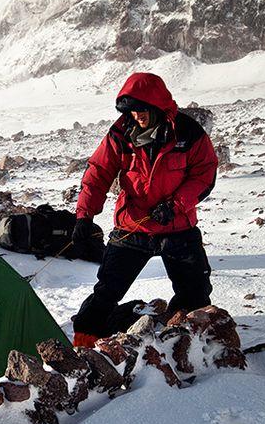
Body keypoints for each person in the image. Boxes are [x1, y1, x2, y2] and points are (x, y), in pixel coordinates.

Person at [71, 72, 218, 348]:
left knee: (196, 293)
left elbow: (205, 174)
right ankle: (82, 347)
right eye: (132, 110)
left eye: (142, 109)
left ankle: (187, 347)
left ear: (158, 107)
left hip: (178, 227)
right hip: (133, 226)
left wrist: (175, 205)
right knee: (106, 291)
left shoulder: (188, 133)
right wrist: (84, 216)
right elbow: (98, 173)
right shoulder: (120, 132)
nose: (137, 115)